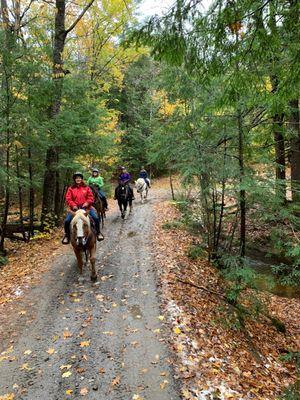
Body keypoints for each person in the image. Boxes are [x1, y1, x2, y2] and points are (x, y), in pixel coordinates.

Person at [62, 172, 104, 244]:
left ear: (82, 179)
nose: (78, 179)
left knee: (95, 218)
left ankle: (98, 233)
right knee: (67, 221)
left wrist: (87, 203)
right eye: (77, 178)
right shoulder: (71, 188)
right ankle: (67, 236)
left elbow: (91, 197)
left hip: (86, 208)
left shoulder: (86, 187)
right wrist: (73, 205)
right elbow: (68, 198)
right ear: (74, 179)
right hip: (74, 209)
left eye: (79, 178)